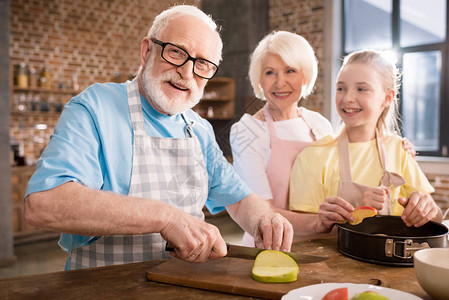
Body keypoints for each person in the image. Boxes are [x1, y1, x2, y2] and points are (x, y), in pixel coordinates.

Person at [24, 5, 293, 270]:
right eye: (176, 52)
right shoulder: (96, 107)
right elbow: (44, 204)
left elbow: (238, 197)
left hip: (183, 286)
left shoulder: (198, 128)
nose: (187, 73)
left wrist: (264, 219)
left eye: (202, 64)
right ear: (147, 51)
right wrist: (164, 217)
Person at [289, 49, 443, 232]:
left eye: (361, 89)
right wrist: (353, 213)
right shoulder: (313, 156)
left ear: (387, 98)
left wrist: (425, 208)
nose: (347, 98)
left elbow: (438, 218)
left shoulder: (398, 150)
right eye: (341, 88)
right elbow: (302, 233)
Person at [230, 31, 334, 246]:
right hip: (269, 246)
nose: (280, 83)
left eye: (290, 71)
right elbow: (261, 210)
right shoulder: (247, 131)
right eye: (270, 73)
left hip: (322, 246)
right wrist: (320, 223)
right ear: (259, 79)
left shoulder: (320, 125)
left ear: (305, 76)